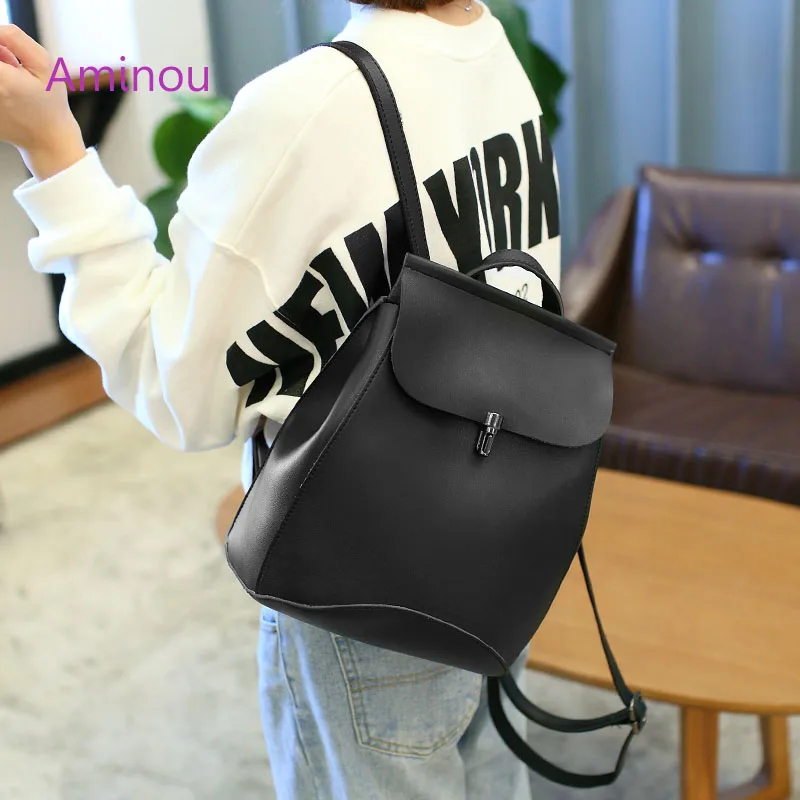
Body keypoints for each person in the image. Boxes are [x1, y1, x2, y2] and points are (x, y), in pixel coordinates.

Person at [0, 1, 561, 796]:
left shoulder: (304, 110)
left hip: (363, 573)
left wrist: (54, 151)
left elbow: (176, 387)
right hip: (496, 531)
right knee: (492, 769)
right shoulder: (487, 47)